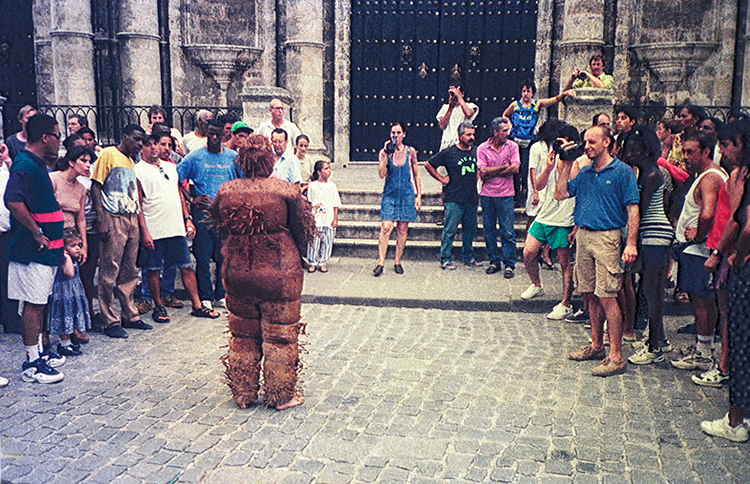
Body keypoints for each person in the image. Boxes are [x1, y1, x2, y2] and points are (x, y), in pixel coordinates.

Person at [209, 134, 315, 410]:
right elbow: (303, 228)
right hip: (279, 273)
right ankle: (281, 396)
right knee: (280, 335)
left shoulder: (227, 191)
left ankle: (243, 394)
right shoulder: (285, 191)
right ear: (270, 160)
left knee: (242, 334)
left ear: (241, 160)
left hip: (238, 271)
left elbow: (217, 219)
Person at [554, 125, 640, 377]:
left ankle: (617, 356)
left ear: (607, 142)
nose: (587, 146)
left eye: (592, 142)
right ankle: (596, 345)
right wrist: (566, 163)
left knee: (608, 296)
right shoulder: (586, 172)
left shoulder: (622, 172)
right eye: (585, 142)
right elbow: (560, 193)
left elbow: (633, 210)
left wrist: (631, 243)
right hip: (584, 236)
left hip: (608, 238)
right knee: (590, 294)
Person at [3, 113, 66, 383]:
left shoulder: (35, 163)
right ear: (46, 137)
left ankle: (39, 351)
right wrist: (36, 232)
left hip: (46, 251)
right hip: (33, 252)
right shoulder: (25, 164)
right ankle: (32, 363)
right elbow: (13, 200)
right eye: (58, 135)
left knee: (39, 303)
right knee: (33, 304)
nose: (60, 140)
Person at [136, 134, 220, 323]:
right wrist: (145, 231)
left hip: (175, 227)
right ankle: (158, 306)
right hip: (154, 227)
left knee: (186, 266)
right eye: (148, 145)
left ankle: (197, 305)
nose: (154, 148)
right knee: (154, 269)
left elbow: (179, 194)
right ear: (142, 148)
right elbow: (139, 204)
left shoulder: (171, 168)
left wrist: (188, 219)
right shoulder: (138, 170)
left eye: (155, 143)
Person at [700, 139, 750, 442]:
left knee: (741, 342)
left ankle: (735, 421)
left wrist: (737, 255)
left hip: (745, 271)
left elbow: (745, 224)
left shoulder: (742, 177)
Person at [670, 132, 727, 371]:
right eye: (684, 151)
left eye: (691, 152)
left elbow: (708, 213)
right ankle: (703, 347)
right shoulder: (708, 175)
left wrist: (701, 235)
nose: (685, 156)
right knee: (699, 299)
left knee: (701, 300)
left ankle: (703, 354)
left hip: (698, 249)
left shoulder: (710, 178)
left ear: (706, 152)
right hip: (696, 248)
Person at [91, 124, 153, 338]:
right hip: (113, 216)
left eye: (141, 140)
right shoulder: (108, 154)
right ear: (124, 136)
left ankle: (130, 314)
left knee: (130, 269)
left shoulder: (131, 161)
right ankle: (109, 319)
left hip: (131, 216)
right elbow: (96, 186)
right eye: (136, 139)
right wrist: (102, 220)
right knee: (110, 268)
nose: (139, 144)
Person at [619, 126, 675, 365]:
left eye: (634, 150)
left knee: (652, 292)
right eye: (627, 150)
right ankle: (659, 339)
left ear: (646, 150)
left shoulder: (652, 175)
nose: (629, 154)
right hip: (650, 235)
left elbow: (639, 209)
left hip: (655, 235)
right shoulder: (645, 173)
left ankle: (654, 346)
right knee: (650, 290)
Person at [521, 122, 581, 321]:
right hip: (545, 214)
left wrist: (567, 159)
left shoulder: (578, 162)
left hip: (565, 218)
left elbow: (572, 190)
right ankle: (536, 284)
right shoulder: (552, 158)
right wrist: (548, 168)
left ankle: (566, 302)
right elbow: (539, 185)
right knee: (528, 252)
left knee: (564, 262)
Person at [177, 119, 238, 309]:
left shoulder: (233, 157)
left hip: (225, 216)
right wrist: (191, 198)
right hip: (203, 215)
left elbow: (242, 181)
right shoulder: (195, 157)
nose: (214, 137)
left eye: (218, 134)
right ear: (206, 132)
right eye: (211, 133)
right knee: (202, 258)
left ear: (224, 135)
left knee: (224, 257)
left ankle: (221, 294)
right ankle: (205, 296)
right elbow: (176, 179)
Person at [502, 79, 575, 205]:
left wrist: (564, 94)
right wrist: (509, 125)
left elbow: (555, 99)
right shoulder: (515, 105)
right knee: (516, 168)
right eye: (524, 91)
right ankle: (516, 197)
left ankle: (526, 192)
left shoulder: (537, 104)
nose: (526, 94)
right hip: (517, 140)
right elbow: (505, 114)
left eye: (528, 91)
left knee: (527, 167)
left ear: (532, 93)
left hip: (530, 140)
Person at [50, 145, 93, 344]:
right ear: (71, 162)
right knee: (52, 287)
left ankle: (72, 327)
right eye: (83, 161)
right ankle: (45, 332)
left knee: (71, 285)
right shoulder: (53, 180)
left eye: (89, 161)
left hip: (71, 238)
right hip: (53, 236)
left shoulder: (81, 188)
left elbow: (81, 218)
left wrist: (83, 244)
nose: (88, 165)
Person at [425, 121, 480, 270]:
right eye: (468, 134)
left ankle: (468, 256)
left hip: (472, 197)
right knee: (450, 230)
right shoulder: (449, 152)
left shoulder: (477, 151)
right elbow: (429, 164)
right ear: (459, 135)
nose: (471, 137)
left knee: (470, 230)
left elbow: (482, 167)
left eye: (473, 134)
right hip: (454, 197)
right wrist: (441, 179)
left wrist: (479, 175)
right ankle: (445, 258)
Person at [374, 122, 422, 276]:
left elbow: (416, 174)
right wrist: (387, 155)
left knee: (402, 228)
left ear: (404, 134)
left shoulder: (410, 151)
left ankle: (397, 261)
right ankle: (381, 262)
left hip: (406, 194)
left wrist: (419, 195)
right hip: (390, 193)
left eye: (398, 132)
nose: (395, 135)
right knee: (386, 227)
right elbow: (382, 174)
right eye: (393, 132)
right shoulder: (384, 152)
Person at [477, 117, 519, 278]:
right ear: (496, 132)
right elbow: (482, 172)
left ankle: (510, 264)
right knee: (489, 230)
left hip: (506, 194)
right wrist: (504, 167)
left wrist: (491, 171)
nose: (508, 133)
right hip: (487, 194)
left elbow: (515, 168)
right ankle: (494, 261)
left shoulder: (512, 146)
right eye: (505, 131)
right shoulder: (482, 148)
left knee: (507, 231)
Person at [47, 228, 90, 357]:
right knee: (65, 318)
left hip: (72, 293)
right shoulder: (65, 258)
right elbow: (69, 273)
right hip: (64, 294)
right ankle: (64, 344)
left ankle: (68, 342)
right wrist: (66, 256)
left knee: (71, 317)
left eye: (79, 245)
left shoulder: (72, 257)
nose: (77, 248)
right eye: (73, 246)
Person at [0, 143, 21, 336]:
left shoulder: (5, 172)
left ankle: (10, 319)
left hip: (6, 232)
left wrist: (7, 158)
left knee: (7, 277)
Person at [307, 161, 341, 273]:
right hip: (316, 218)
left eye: (329, 168)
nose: (329, 170)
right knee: (314, 241)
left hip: (328, 218)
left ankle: (323, 262)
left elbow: (335, 203)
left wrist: (335, 218)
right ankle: (312, 262)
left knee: (327, 241)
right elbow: (309, 202)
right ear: (319, 171)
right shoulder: (313, 186)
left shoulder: (332, 186)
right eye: (326, 168)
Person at [437, 83, 479, 151]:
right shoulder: (445, 107)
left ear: (463, 94)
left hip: (462, 143)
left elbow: (469, 113)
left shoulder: (470, 106)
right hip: (448, 143)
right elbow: (442, 125)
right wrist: (451, 107)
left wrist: (459, 97)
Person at [669, 104, 705, 169]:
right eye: (679, 116)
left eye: (684, 116)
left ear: (695, 119)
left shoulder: (700, 139)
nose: (680, 119)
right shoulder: (677, 138)